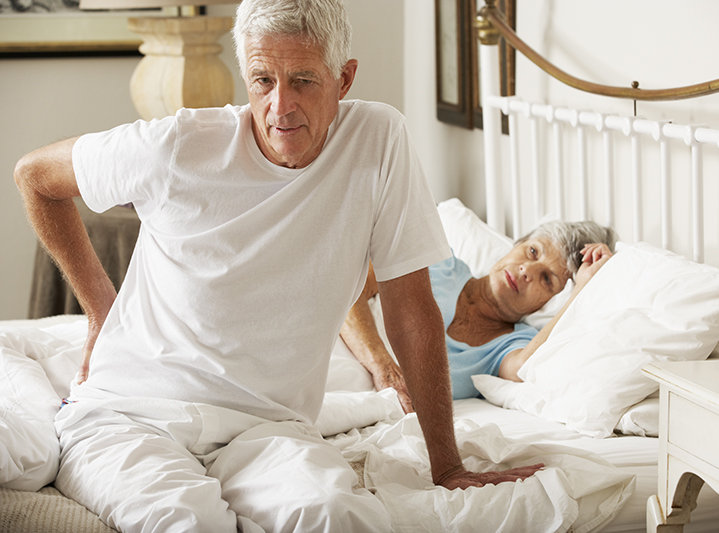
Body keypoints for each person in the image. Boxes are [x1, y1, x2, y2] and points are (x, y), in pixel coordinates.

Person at [13, 0, 543, 531]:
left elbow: (411, 309)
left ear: (345, 78)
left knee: (340, 516)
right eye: (263, 80)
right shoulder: (177, 146)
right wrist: (101, 312)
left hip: (266, 429)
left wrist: (446, 464)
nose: (279, 106)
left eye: (304, 80)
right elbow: (35, 178)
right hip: (130, 416)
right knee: (189, 523)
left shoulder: (379, 141)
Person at [341, 221, 616, 413]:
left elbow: (524, 366)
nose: (527, 270)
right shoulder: (436, 261)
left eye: (547, 279)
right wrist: (384, 369)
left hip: (357, 409)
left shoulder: (514, 344)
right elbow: (345, 289)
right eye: (532, 251)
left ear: (551, 301)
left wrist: (581, 290)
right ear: (515, 245)